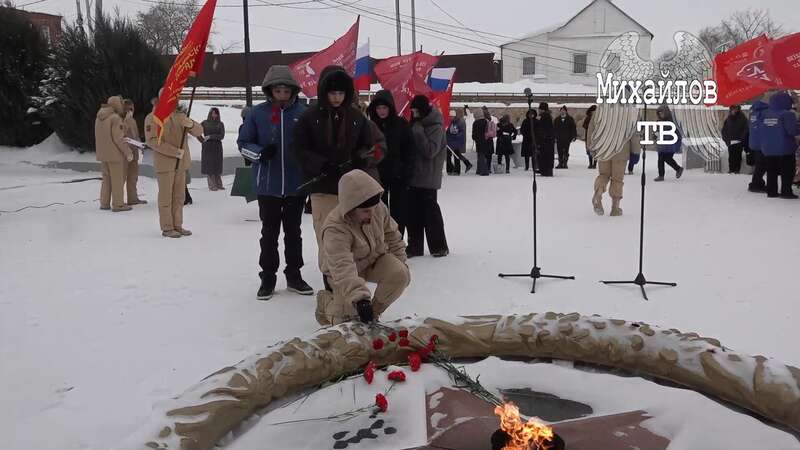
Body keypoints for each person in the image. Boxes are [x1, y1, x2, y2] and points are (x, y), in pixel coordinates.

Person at [238, 65, 314, 300]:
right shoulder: (256, 114)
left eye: (286, 90)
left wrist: (307, 159)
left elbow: (313, 145)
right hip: (268, 186)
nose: (282, 94)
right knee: (269, 234)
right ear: (270, 91)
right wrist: (260, 153)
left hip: (295, 185)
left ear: (293, 91)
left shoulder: (303, 113)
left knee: (294, 233)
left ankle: (294, 275)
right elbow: (243, 143)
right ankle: (268, 278)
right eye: (278, 90)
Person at [293, 65, 374, 270]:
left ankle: (350, 282)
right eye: (332, 93)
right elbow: (299, 148)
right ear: (324, 92)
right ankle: (330, 285)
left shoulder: (356, 117)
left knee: (351, 236)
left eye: (340, 93)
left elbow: (368, 146)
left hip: (350, 190)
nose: (336, 97)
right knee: (327, 235)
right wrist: (321, 165)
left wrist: (359, 159)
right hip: (322, 188)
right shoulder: (309, 117)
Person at [314, 169, 410, 326]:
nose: (371, 214)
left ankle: (371, 315)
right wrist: (360, 300)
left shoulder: (377, 208)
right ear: (351, 208)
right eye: (365, 211)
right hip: (341, 273)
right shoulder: (335, 228)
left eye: (373, 208)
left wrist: (401, 265)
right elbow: (342, 268)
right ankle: (325, 303)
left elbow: (393, 237)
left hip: (373, 259)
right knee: (344, 323)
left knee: (400, 274)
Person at [145, 94, 203, 237]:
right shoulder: (153, 117)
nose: (175, 100)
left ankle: (178, 225)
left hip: (180, 164)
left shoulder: (179, 115)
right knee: (166, 197)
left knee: (179, 197)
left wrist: (190, 124)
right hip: (165, 164)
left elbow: (199, 131)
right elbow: (152, 141)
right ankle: (167, 227)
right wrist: (175, 152)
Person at [368, 89, 415, 236]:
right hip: (377, 176)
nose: (381, 111)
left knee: (398, 213)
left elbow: (410, 150)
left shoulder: (401, 124)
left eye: (384, 107)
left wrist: (405, 171)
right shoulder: (369, 126)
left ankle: (397, 242)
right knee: (378, 212)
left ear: (390, 107)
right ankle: (380, 242)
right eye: (378, 108)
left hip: (398, 176)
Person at [407, 95, 449, 258]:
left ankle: (438, 246)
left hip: (428, 177)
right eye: (413, 111)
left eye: (417, 111)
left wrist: (418, 131)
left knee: (431, 214)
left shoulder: (436, 127)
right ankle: (415, 247)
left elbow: (430, 151)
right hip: (414, 176)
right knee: (413, 214)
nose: (415, 114)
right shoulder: (415, 124)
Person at [95, 96, 133, 212]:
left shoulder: (99, 117)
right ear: (116, 104)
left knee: (106, 179)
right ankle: (118, 204)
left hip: (103, 154)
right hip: (115, 155)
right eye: (120, 103)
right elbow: (119, 138)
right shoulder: (115, 118)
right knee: (117, 180)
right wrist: (128, 152)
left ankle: (104, 203)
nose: (122, 105)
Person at [760, 91, 799, 199]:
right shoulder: (787, 114)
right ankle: (786, 191)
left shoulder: (765, 113)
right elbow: (792, 131)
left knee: (771, 171)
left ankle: (771, 191)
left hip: (768, 148)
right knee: (787, 171)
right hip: (784, 148)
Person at [592, 132, 641, 216]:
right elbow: (634, 134)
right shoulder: (628, 118)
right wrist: (636, 152)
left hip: (603, 148)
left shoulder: (601, 117)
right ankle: (615, 207)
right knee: (617, 179)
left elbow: (593, 128)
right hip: (621, 150)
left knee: (603, 175)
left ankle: (598, 194)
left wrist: (592, 146)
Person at [122, 99, 146, 205]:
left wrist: (140, 146)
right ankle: (120, 200)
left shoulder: (131, 120)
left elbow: (135, 136)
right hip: (127, 152)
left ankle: (132, 198)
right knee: (126, 177)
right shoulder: (125, 120)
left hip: (133, 151)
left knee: (132, 176)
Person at [653, 105, 683, 182]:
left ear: (666, 113)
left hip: (670, 145)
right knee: (660, 160)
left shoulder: (672, 122)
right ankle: (661, 175)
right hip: (661, 144)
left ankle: (678, 169)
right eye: (659, 113)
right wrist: (655, 135)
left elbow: (677, 133)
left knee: (667, 158)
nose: (660, 115)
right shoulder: (659, 122)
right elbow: (655, 132)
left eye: (662, 113)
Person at [201, 107, 225, 191]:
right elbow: (196, 131)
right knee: (209, 166)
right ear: (210, 113)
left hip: (217, 147)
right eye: (213, 113)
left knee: (217, 165)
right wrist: (201, 140)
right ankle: (212, 185)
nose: (214, 115)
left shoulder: (220, 124)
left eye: (216, 113)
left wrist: (211, 136)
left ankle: (219, 184)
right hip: (207, 147)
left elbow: (221, 136)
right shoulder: (204, 123)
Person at [748, 99, 769, 192]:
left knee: (759, 165)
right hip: (762, 143)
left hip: (754, 143)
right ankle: (755, 184)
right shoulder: (764, 114)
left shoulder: (753, 114)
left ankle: (756, 183)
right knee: (761, 166)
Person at [722, 104, 749, 174]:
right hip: (730, 141)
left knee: (738, 156)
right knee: (731, 156)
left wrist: (742, 138)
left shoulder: (742, 118)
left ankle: (737, 170)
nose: (733, 110)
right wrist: (726, 139)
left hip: (739, 141)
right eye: (732, 109)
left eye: (735, 109)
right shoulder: (728, 118)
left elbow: (746, 129)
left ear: (738, 109)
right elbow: (724, 130)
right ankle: (731, 169)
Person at [472, 106, 495, 176]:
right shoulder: (486, 121)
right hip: (485, 140)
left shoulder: (475, 123)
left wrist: (474, 138)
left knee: (480, 155)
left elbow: (474, 133)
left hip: (478, 141)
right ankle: (481, 170)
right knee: (483, 155)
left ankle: (483, 170)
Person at [536, 102, 555, 177]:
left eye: (539, 109)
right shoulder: (547, 116)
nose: (538, 110)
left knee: (545, 156)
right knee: (546, 156)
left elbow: (544, 129)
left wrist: (541, 138)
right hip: (547, 140)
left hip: (545, 141)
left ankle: (545, 170)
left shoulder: (545, 116)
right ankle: (545, 170)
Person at [446, 109, 468, 175]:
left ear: (455, 116)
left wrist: (456, 135)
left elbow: (462, 132)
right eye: (450, 116)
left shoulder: (459, 122)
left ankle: (457, 171)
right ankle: (449, 170)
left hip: (456, 143)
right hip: (449, 142)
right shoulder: (449, 122)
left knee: (456, 157)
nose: (451, 118)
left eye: (452, 116)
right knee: (448, 157)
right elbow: (447, 131)